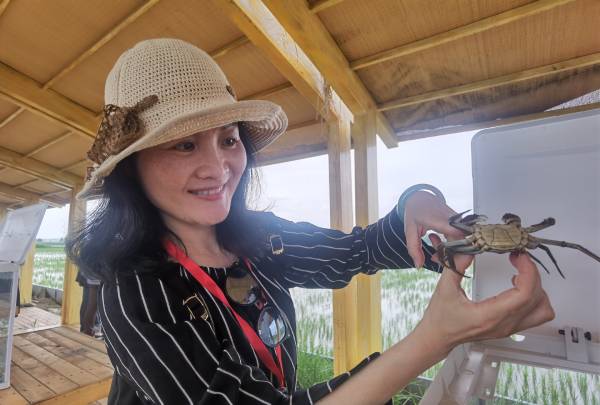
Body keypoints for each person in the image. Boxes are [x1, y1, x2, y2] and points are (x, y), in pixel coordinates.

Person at [66, 38, 554, 405]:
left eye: (229, 139)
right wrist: (433, 340)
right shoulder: (135, 295)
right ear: (131, 168)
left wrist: (414, 203)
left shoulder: (263, 240)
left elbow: (358, 250)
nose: (218, 167)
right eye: (185, 144)